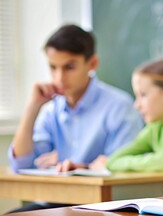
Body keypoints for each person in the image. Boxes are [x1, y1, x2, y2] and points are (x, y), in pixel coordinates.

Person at [7, 24, 144, 212]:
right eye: (53, 67)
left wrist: (86, 168)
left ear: (92, 64)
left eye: (69, 67)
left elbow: (125, 168)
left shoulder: (119, 107)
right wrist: (32, 107)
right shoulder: (51, 110)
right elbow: (21, 164)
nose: (59, 78)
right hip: (61, 201)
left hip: (107, 206)